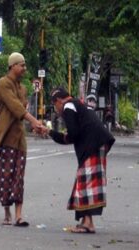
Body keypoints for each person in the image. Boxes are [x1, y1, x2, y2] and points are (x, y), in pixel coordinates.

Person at [41, 87, 115, 234]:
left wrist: (50, 132)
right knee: (86, 182)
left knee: (87, 183)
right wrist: (49, 132)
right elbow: (71, 136)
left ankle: (88, 223)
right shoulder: (76, 105)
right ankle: (86, 221)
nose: (57, 110)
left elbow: (72, 135)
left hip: (93, 144)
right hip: (97, 143)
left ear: (59, 101)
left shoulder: (68, 106)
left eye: (55, 105)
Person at [0, 52, 43, 227]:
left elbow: (22, 109)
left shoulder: (23, 88)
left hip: (19, 139)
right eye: (21, 65)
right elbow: (16, 108)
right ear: (13, 66)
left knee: (18, 177)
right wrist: (35, 121)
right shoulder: (2, 84)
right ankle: (7, 212)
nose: (24, 68)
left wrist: (35, 125)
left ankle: (19, 216)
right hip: (5, 137)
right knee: (4, 177)